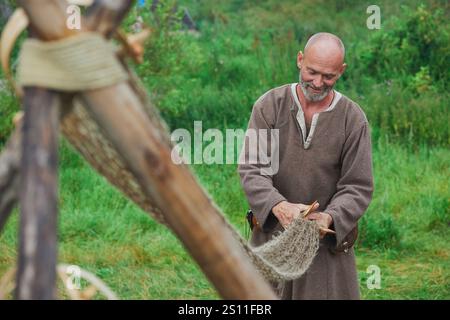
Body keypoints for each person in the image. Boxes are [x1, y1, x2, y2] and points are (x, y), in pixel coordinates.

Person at [238, 32, 374, 299]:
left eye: (329, 76)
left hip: (323, 247)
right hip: (272, 241)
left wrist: (329, 217)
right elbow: (253, 169)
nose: (317, 82)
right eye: (312, 72)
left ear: (341, 71)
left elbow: (357, 186)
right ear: (300, 60)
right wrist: (279, 206)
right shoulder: (269, 106)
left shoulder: (353, 119)